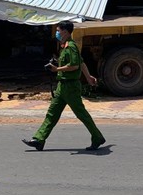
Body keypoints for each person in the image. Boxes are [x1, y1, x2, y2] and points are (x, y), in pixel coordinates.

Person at [23, 20, 105, 152]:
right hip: (62, 86)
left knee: (81, 114)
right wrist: (89, 77)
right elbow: (82, 63)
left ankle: (97, 137)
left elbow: (75, 65)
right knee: (52, 114)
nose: (56, 33)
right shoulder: (65, 46)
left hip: (70, 86)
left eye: (58, 30)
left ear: (65, 32)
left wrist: (57, 69)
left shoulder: (71, 47)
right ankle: (39, 139)